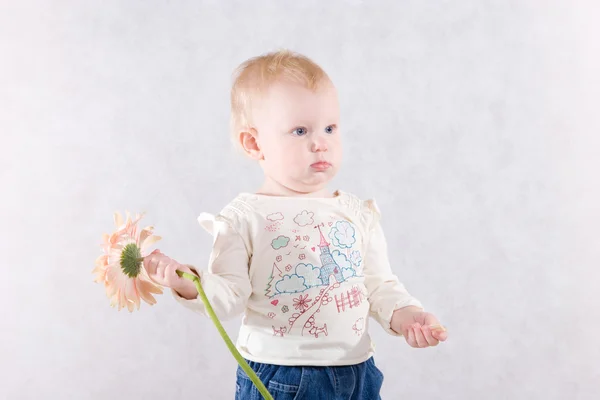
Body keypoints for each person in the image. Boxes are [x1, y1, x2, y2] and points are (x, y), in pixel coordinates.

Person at [143, 49, 448, 399]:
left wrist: (408, 316)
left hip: (357, 370)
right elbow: (229, 294)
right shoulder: (245, 218)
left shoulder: (356, 213)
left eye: (330, 128)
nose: (320, 143)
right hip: (283, 376)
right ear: (254, 143)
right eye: (300, 130)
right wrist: (190, 285)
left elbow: (378, 286)